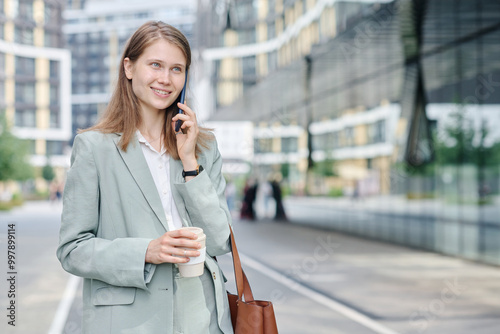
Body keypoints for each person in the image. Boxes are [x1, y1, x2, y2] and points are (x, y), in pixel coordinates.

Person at [56, 21, 233, 334]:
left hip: (201, 318)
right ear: (129, 67)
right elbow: (73, 250)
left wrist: (190, 160)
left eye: (177, 69)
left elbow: (219, 241)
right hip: (130, 322)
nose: (165, 79)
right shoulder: (94, 147)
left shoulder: (203, 147)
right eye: (155, 65)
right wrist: (147, 251)